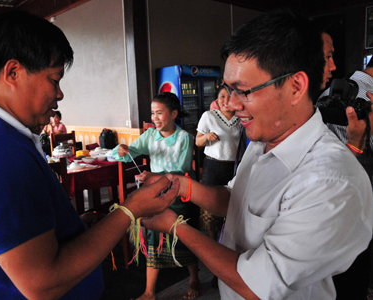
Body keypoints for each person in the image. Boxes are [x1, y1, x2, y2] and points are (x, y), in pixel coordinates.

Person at [0, 11, 179, 300]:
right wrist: (130, 210)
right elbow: (44, 283)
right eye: (54, 80)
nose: (60, 94)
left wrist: (73, 228)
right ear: (13, 72)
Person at [141, 10, 373, 300]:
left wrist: (176, 227)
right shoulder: (264, 142)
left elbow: (256, 285)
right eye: (227, 89)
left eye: (243, 91)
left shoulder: (330, 181)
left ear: (296, 86)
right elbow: (238, 200)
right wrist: (180, 184)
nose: (231, 104)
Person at [112, 92, 201, 299]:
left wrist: (154, 175)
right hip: (155, 197)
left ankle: (194, 278)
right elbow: (130, 153)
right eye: (153, 113)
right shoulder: (150, 136)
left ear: (173, 114)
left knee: (184, 236)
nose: (155, 118)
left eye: (159, 113)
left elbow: (183, 170)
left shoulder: (184, 138)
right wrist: (122, 150)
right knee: (154, 239)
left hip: (179, 196)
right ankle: (149, 291)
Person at [318, 58, 373, 299]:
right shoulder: (360, 97)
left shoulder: (335, 90)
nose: (332, 66)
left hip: (337, 214)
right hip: (353, 210)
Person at [195, 87, 240, 241]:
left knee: (230, 203)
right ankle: (212, 240)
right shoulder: (209, 116)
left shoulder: (241, 118)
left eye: (230, 97)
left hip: (233, 168)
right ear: (217, 99)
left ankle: (226, 239)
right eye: (222, 96)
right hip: (212, 167)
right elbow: (198, 142)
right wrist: (206, 136)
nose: (225, 100)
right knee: (210, 205)